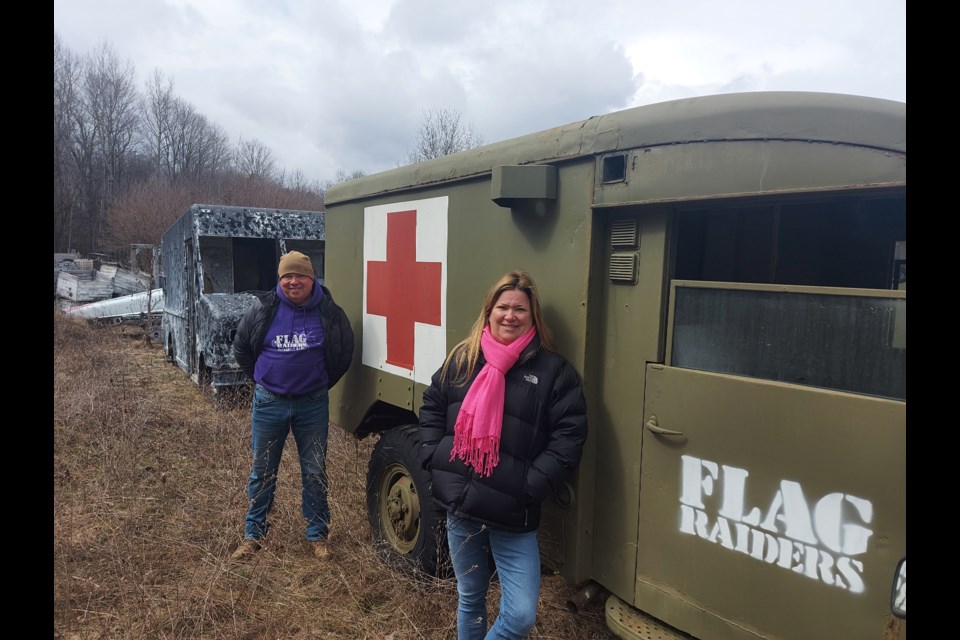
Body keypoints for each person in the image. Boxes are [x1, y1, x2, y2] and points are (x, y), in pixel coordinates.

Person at [418, 271, 588, 639]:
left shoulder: (553, 371)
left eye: (520, 309)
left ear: (533, 316)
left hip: (513, 513)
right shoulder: (464, 358)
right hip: (461, 508)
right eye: (503, 307)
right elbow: (432, 404)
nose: (510, 315)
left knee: (521, 615)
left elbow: (569, 435)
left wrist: (531, 485)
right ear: (489, 310)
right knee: (470, 599)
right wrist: (434, 456)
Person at [230, 250, 354, 561]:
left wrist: (317, 382)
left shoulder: (329, 312)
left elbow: (342, 354)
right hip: (269, 402)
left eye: (300, 275)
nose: (293, 281)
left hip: (311, 405)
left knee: (314, 471)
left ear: (312, 279)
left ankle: (317, 535)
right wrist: (264, 379)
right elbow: (243, 348)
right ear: (279, 279)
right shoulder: (264, 309)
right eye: (287, 276)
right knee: (262, 470)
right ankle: (253, 534)